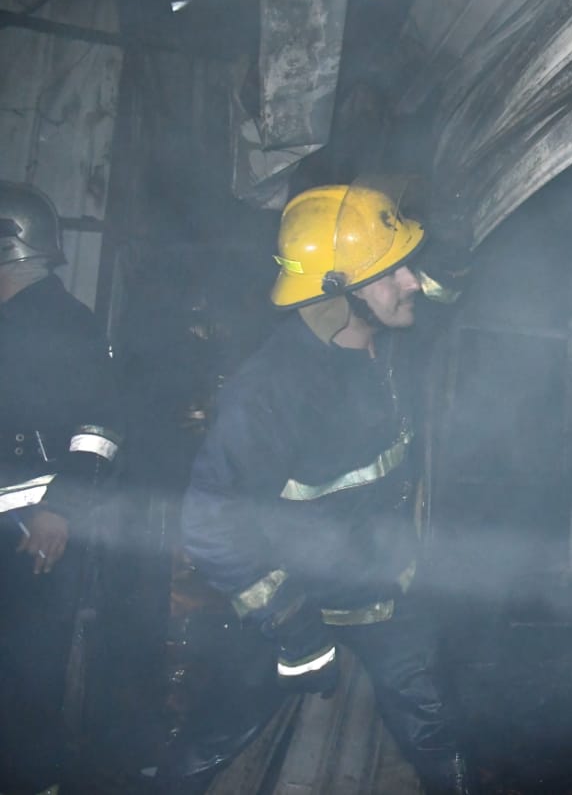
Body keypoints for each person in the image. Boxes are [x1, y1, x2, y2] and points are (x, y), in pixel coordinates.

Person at [180, 182, 470, 793]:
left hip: (389, 598)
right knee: (212, 742)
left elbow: (442, 289)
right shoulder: (274, 389)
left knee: (440, 741)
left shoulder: (391, 342)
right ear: (338, 291)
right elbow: (209, 522)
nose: (413, 283)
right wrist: (292, 626)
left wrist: (449, 235)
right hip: (299, 603)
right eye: (393, 273)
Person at [0, 180, 123, 792]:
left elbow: (99, 428)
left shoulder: (65, 323)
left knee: (27, 675)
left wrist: (60, 510)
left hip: (34, 534)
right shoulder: (11, 317)